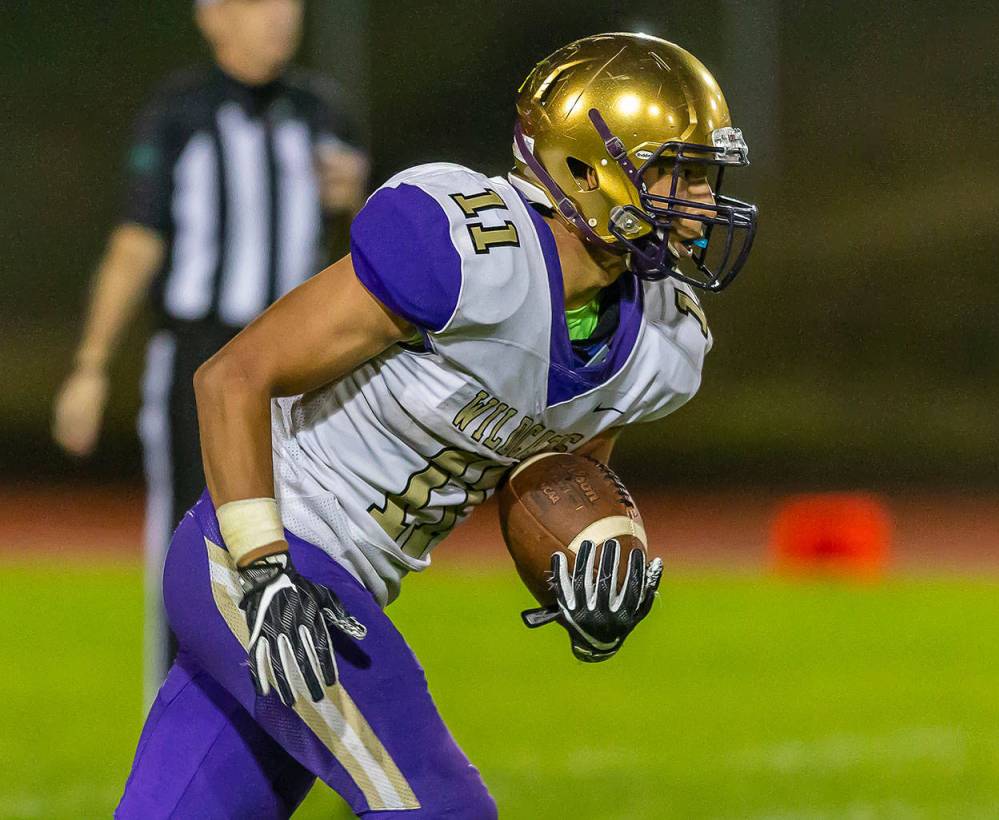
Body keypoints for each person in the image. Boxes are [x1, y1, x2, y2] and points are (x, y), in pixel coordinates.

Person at [116, 32, 758, 817]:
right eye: (675, 171)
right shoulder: (470, 250)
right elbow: (231, 377)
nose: (696, 202)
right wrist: (265, 573)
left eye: (703, 176)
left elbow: (557, 477)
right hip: (259, 563)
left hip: (345, 581)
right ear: (585, 168)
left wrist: (589, 563)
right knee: (440, 805)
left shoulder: (662, 338)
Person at [51, 0, 368, 702]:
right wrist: (91, 365)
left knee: (313, 542)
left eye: (289, 2)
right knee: (189, 544)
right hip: (202, 355)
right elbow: (138, 241)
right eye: (258, 2)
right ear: (212, 15)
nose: (281, 16)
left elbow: (358, 261)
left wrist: (354, 202)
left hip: (300, 365)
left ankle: (301, 718)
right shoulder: (182, 112)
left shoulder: (322, 112)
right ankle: (175, 721)